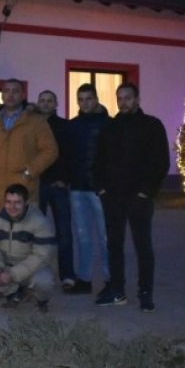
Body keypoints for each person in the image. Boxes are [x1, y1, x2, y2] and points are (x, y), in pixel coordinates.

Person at [93, 82, 169, 311]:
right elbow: (98, 161)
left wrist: (146, 193)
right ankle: (117, 290)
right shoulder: (110, 127)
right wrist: (102, 190)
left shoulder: (152, 126)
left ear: (137, 99)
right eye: (120, 98)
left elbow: (160, 162)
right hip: (113, 197)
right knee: (114, 245)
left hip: (140, 198)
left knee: (143, 246)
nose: (123, 102)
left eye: (127, 97)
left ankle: (145, 293)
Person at [0, 78, 58, 213]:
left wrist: (30, 171)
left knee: (22, 233)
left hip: (24, 192)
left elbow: (50, 150)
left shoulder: (36, 121)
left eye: (15, 91)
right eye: (6, 91)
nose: (10, 95)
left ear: (23, 95)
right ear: (2, 95)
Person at [0, 184, 56, 313]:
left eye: (17, 203)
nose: (12, 207)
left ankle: (41, 300)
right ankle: (15, 291)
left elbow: (41, 257)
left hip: (33, 269)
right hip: (7, 266)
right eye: (8, 202)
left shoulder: (40, 222)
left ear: (26, 203)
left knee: (44, 282)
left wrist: (13, 274)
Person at [66, 83, 111, 295]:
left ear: (96, 99)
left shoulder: (108, 124)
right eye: (81, 99)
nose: (85, 103)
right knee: (82, 236)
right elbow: (67, 155)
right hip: (77, 188)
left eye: (89, 99)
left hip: (100, 189)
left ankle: (111, 280)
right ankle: (84, 279)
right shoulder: (72, 125)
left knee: (105, 236)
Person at [36, 90, 76, 290]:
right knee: (36, 233)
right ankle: (36, 273)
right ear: (37, 103)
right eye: (42, 100)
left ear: (56, 103)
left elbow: (70, 155)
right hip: (36, 185)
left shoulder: (65, 126)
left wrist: (66, 179)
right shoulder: (32, 125)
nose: (45, 103)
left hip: (58, 186)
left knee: (64, 232)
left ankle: (67, 275)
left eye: (49, 100)